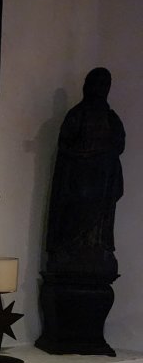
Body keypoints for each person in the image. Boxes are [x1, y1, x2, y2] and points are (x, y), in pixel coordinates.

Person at [44, 67, 125, 279]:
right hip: (78, 179)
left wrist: (103, 154)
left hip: (103, 181)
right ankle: (70, 249)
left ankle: (97, 248)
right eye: (97, 84)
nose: (100, 89)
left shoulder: (111, 118)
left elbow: (119, 144)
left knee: (99, 220)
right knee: (75, 215)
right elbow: (64, 144)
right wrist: (86, 153)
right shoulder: (77, 115)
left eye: (104, 85)